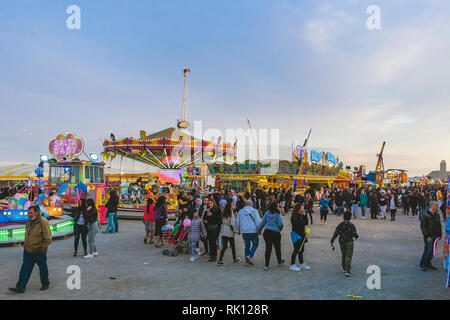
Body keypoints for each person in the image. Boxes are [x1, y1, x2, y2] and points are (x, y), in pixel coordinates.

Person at [9, 206, 52, 293]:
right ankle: (20, 287)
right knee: (25, 268)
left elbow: (48, 236)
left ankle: (45, 283)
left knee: (42, 268)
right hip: (28, 249)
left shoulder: (43, 222)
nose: (29, 214)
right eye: (28, 213)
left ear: (37, 212)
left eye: (31, 213)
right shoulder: (29, 221)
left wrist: (44, 248)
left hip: (39, 250)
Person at [330, 211, 359, 277]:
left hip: (342, 242)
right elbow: (355, 234)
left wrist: (332, 240)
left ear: (343, 217)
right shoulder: (352, 225)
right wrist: (356, 237)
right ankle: (348, 270)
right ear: (350, 217)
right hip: (349, 242)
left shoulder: (340, 225)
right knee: (348, 256)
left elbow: (336, 233)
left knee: (343, 255)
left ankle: (344, 268)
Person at [258, 202, 284, 270]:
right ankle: (279, 260)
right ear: (276, 207)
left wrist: (259, 230)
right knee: (277, 247)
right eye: (278, 206)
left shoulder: (267, 213)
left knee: (268, 249)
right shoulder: (278, 214)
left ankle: (266, 265)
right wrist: (280, 229)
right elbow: (280, 224)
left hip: (267, 232)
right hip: (275, 233)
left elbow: (262, 222)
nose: (279, 207)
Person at [236, 200, 261, 266]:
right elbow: (258, 221)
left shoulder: (241, 211)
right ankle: (250, 256)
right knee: (255, 244)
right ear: (251, 204)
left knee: (247, 245)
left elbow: (237, 222)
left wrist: (238, 229)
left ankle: (246, 261)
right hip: (253, 231)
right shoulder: (255, 211)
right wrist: (259, 230)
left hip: (244, 231)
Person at [419, 201, 442, 271]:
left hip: (435, 236)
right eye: (436, 205)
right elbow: (423, 227)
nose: (437, 206)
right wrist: (427, 236)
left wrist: (439, 235)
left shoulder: (437, 215)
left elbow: (439, 225)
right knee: (428, 250)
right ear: (432, 206)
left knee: (432, 251)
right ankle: (422, 264)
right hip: (429, 236)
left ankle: (428, 263)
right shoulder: (425, 215)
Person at [217, 201, 240, 265]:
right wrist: (236, 231)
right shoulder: (231, 213)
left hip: (224, 231)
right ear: (230, 207)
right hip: (230, 232)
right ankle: (234, 259)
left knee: (224, 246)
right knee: (232, 246)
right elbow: (232, 224)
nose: (234, 205)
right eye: (233, 204)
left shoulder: (224, 213)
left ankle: (220, 260)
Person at [290, 204, 310, 271]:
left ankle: (301, 264)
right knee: (296, 249)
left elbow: (306, 223)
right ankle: (292, 265)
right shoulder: (294, 216)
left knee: (301, 250)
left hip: (302, 234)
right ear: (298, 209)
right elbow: (295, 227)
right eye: (302, 208)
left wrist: (305, 215)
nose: (303, 209)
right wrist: (303, 235)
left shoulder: (302, 215)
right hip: (296, 235)